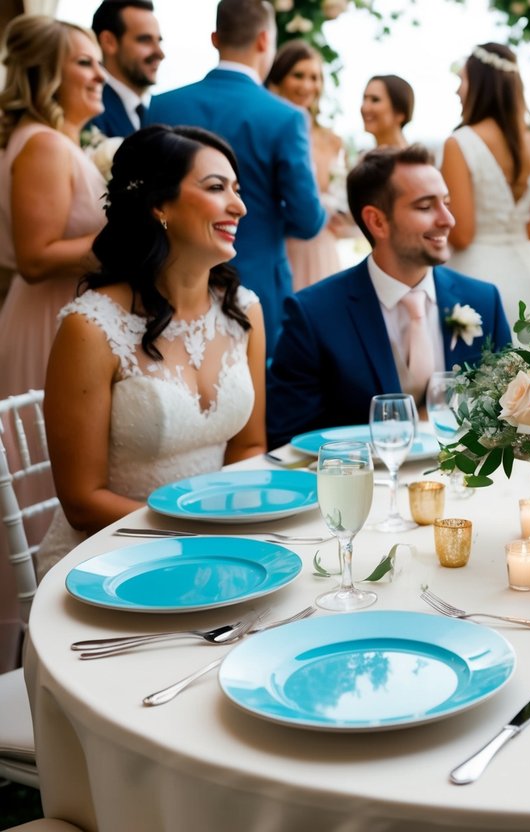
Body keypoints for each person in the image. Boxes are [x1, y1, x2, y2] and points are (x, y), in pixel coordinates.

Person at [39, 125, 267, 579]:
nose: (238, 206)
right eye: (217, 188)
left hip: (221, 550)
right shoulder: (91, 327)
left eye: (237, 190)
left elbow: (250, 446)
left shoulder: (244, 311)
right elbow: (83, 501)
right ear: (159, 205)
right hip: (111, 562)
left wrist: (236, 529)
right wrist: (191, 535)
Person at [267, 145, 511, 448]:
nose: (447, 219)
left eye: (446, 203)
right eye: (425, 207)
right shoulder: (313, 315)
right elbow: (288, 439)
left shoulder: (483, 301)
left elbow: (507, 417)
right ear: (377, 222)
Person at [145, 0, 326, 355]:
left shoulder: (163, 106)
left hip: (168, 282)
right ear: (264, 41)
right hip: (255, 283)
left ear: (215, 38)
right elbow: (307, 221)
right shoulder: (285, 118)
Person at [0, 16, 107, 403]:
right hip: (48, 318)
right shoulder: (43, 145)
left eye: (99, 63)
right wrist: (125, 238)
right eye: (84, 63)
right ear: (45, 72)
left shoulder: (57, 143)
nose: (101, 76)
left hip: (71, 313)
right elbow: (35, 258)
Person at [441, 42, 530, 325]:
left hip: (474, 279)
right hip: (526, 278)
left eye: (462, 80)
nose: (457, 90)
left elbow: (461, 234)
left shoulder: (460, 143)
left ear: (480, 84)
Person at [265, 39, 350, 290]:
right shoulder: (269, 131)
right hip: (282, 246)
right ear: (279, 79)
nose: (307, 85)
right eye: (298, 75)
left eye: (314, 77)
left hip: (323, 247)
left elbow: (342, 196)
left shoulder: (333, 140)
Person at [88, 0, 162, 138]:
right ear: (109, 42)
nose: (160, 54)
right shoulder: (89, 111)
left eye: (159, 41)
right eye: (145, 40)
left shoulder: (157, 113)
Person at [361, 73, 413, 149]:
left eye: (375, 100)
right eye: (364, 99)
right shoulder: (366, 158)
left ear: (400, 112)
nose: (364, 108)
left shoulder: (412, 159)